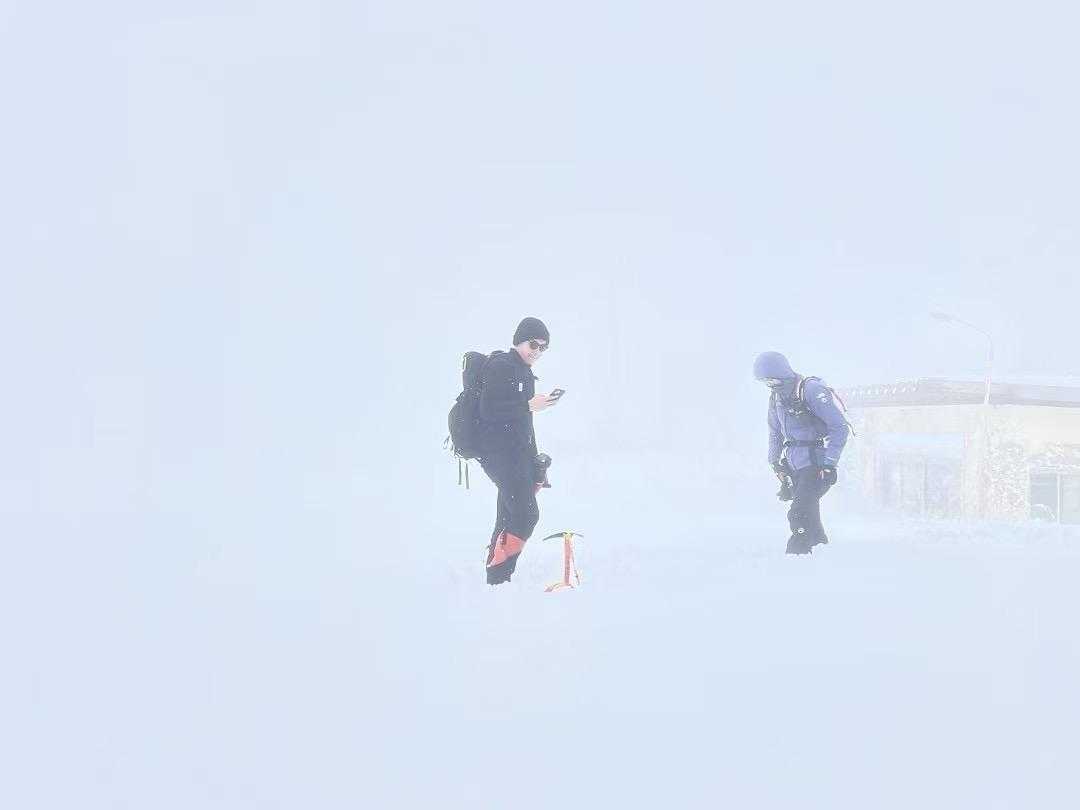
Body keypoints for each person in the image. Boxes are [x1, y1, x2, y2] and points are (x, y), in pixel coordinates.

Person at [477, 318, 559, 585]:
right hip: (498, 455)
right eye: (533, 344)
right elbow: (488, 411)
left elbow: (524, 424)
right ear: (519, 341)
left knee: (508, 515)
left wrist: (534, 461)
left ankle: (496, 580)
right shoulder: (501, 366)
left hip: (517, 455)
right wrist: (528, 405)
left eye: (543, 347)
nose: (537, 351)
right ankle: (499, 575)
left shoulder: (525, 371)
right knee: (526, 515)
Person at [753, 351, 850, 555]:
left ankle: (796, 556)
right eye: (765, 382)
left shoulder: (811, 390)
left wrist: (829, 463)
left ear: (781, 372)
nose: (770, 385)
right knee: (810, 514)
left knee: (798, 514)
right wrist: (775, 463)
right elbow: (775, 432)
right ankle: (821, 551)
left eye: (772, 380)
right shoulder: (776, 397)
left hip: (816, 463)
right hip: (794, 463)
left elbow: (839, 427)